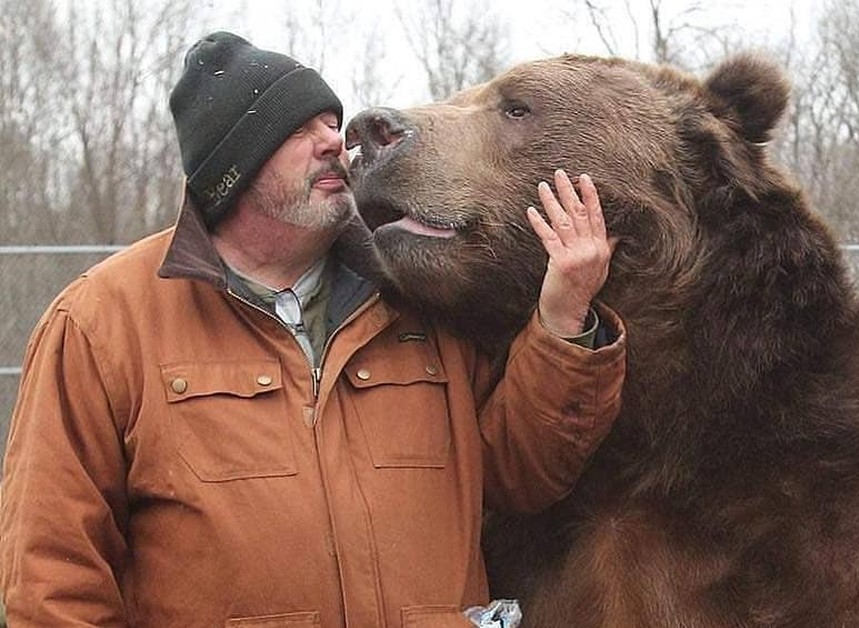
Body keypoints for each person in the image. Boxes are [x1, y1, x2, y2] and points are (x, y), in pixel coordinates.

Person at [0, 32, 625, 626]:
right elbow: (51, 572)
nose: (335, 142)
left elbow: (518, 472)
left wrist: (563, 318)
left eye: (332, 123)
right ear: (233, 169)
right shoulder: (101, 323)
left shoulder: (414, 298)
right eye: (299, 129)